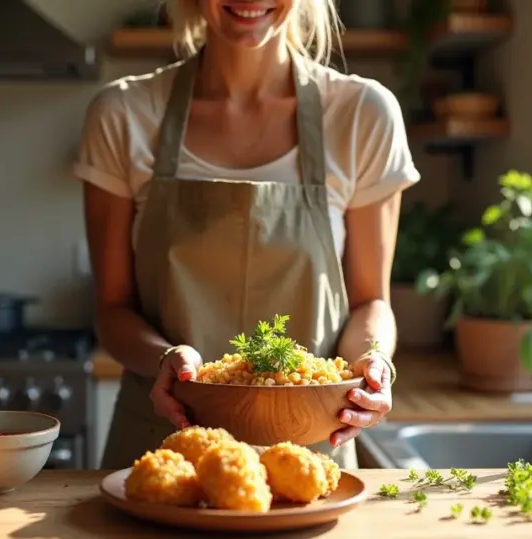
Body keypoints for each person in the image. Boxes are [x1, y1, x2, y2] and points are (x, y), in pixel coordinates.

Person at [75, 0, 421, 470]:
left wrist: (373, 363)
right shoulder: (123, 114)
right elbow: (113, 309)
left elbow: (371, 302)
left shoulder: (362, 114)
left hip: (308, 453)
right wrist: (164, 358)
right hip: (164, 449)